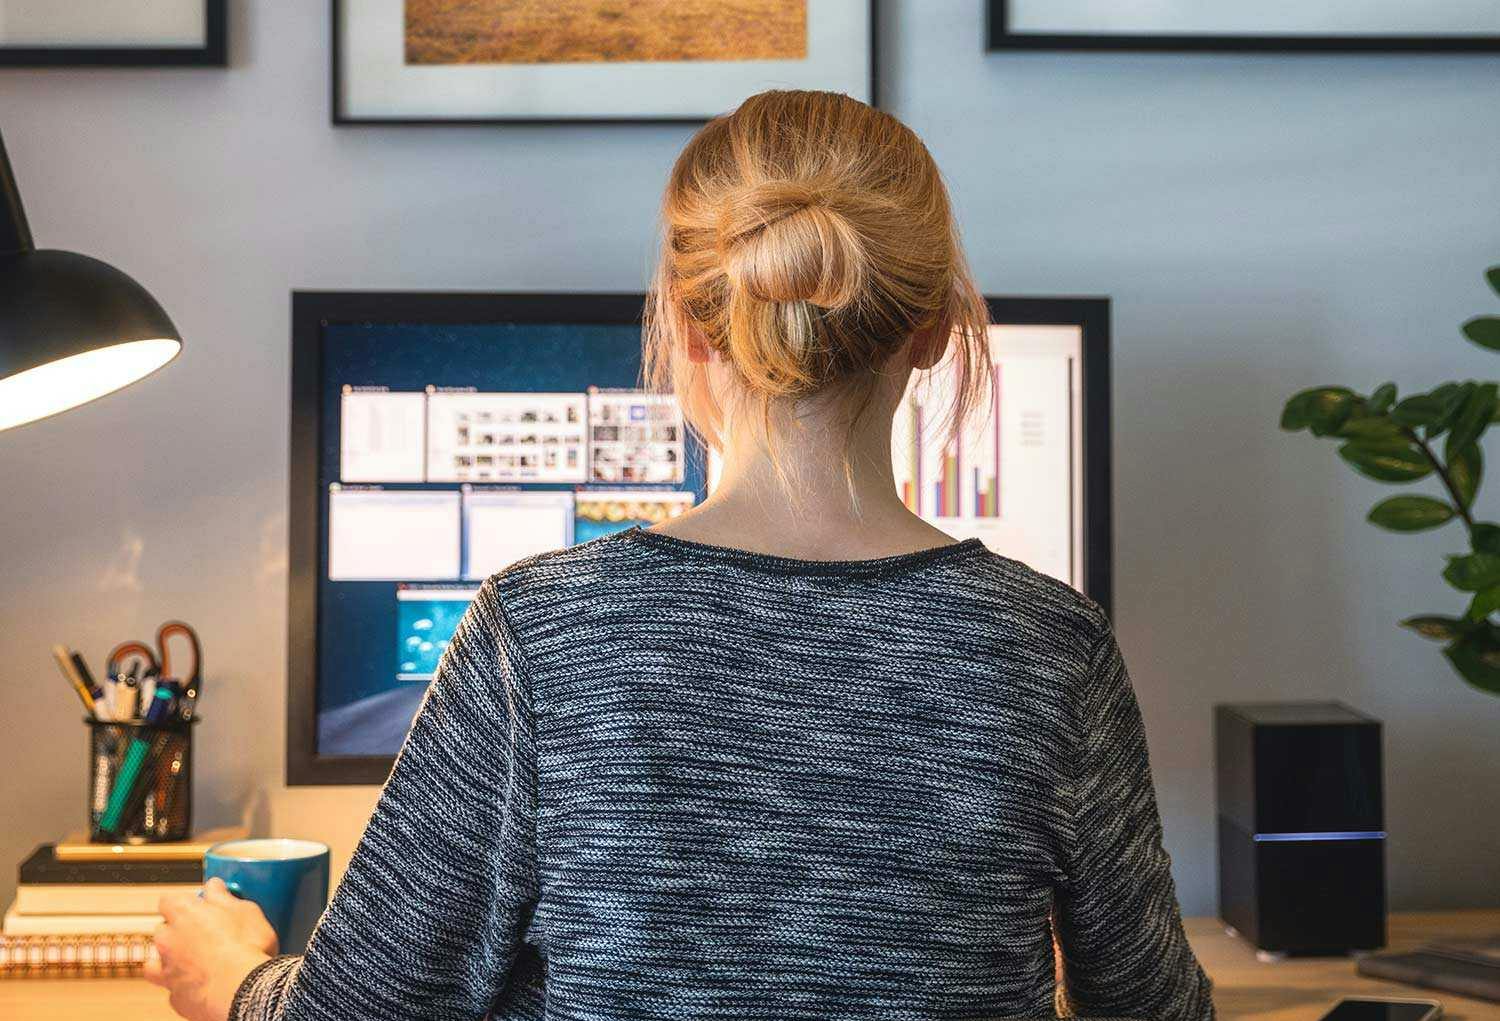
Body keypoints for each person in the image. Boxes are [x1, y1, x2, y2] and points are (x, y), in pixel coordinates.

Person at [147, 89, 1214, 1021]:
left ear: (692, 328)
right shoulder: (1051, 646)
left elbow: (363, 1011)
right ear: (934, 329)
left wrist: (234, 980)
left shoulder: (540, 630)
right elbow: (1154, 1005)